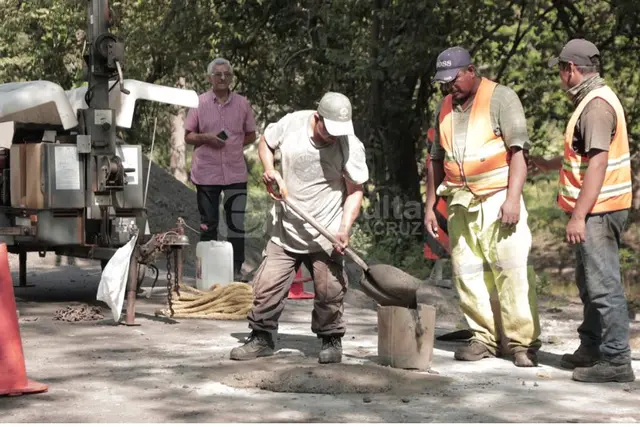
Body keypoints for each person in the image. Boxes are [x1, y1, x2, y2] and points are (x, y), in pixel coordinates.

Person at [229, 92, 369, 364]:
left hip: (326, 230)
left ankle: (331, 339)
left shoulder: (350, 144)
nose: (334, 136)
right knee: (266, 287)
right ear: (317, 118)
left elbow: (355, 191)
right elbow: (265, 143)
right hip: (287, 227)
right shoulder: (292, 124)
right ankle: (261, 337)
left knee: (330, 290)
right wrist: (271, 171)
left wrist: (344, 228)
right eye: (329, 130)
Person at [424, 46, 541, 367]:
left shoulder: (501, 98)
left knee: (511, 271)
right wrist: (430, 205)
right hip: (460, 202)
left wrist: (513, 199)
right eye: (444, 82)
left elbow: (518, 153)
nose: (449, 87)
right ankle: (484, 338)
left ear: (471, 70)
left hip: (498, 199)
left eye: (454, 79)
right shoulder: (444, 106)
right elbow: (436, 159)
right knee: (468, 273)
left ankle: (521, 343)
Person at [530, 39, 635, 383]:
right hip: (599, 208)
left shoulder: (595, 106)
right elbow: (585, 157)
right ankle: (591, 348)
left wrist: (579, 215)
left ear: (571, 69)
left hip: (599, 211)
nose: (560, 76)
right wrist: (549, 165)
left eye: (561, 69)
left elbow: (599, 164)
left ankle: (617, 360)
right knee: (588, 281)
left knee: (603, 285)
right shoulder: (593, 100)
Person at [184, 57, 257, 281]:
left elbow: (251, 134)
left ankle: (236, 269)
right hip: (207, 173)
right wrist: (206, 138)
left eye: (227, 74)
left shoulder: (243, 104)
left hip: (235, 172)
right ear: (210, 78)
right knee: (209, 224)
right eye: (218, 74)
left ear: (231, 78)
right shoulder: (199, 103)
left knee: (236, 222)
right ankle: (207, 271)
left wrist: (233, 146)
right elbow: (188, 136)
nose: (223, 78)